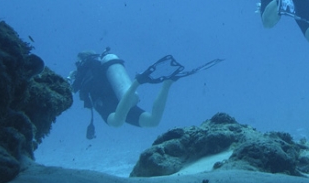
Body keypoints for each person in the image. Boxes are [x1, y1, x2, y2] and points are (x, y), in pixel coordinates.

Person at [70, 50, 223, 139]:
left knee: (117, 122)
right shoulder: (101, 68)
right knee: (153, 121)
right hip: (123, 98)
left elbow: (72, 89)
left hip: (108, 104)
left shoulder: (83, 72)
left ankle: (138, 81)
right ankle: (168, 82)